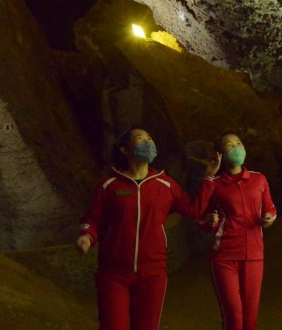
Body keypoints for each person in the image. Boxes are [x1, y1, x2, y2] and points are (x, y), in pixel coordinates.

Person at [76, 126, 221, 330]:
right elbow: (92, 217)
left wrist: (209, 177)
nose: (147, 142)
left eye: (149, 138)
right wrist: (87, 235)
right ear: (124, 150)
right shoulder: (109, 185)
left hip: (153, 274)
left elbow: (193, 209)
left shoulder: (165, 184)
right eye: (140, 138)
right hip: (114, 274)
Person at [200, 131, 277, 330]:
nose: (236, 147)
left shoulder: (259, 179)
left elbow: (270, 210)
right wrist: (210, 222)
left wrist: (268, 219)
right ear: (220, 155)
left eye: (238, 143)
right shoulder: (214, 185)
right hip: (224, 257)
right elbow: (202, 218)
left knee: (250, 320)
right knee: (234, 318)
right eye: (229, 146)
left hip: (253, 255)